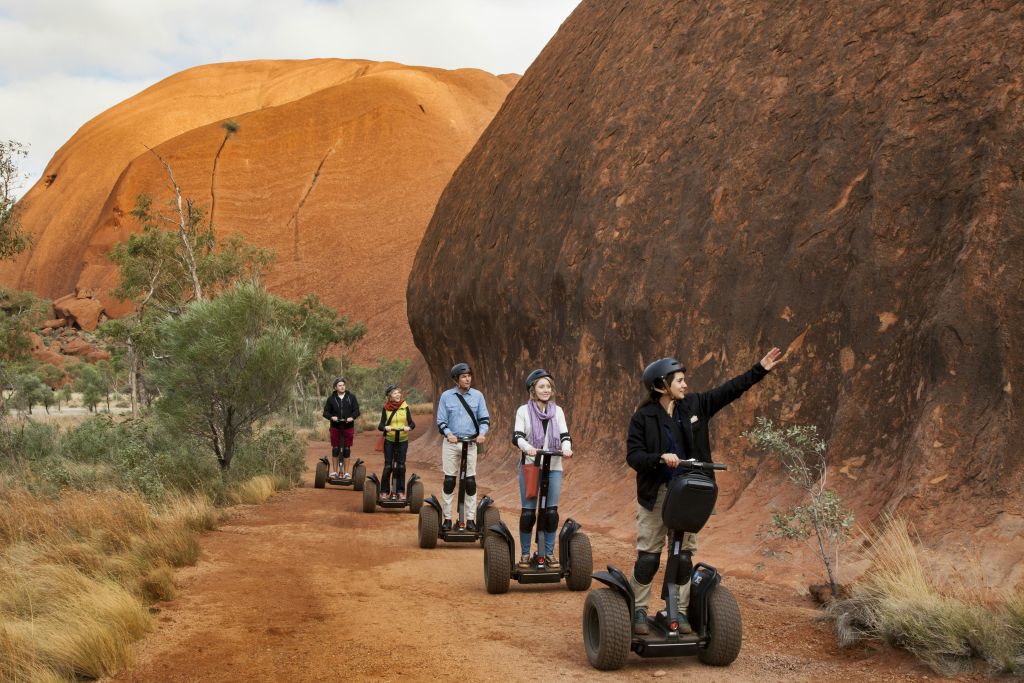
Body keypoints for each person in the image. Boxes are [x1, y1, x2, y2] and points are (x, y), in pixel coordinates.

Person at [626, 347, 784, 635]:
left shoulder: (695, 405)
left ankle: (679, 611)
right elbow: (634, 457)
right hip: (658, 494)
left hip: (689, 493)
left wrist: (759, 369)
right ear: (662, 385)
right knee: (649, 556)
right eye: (679, 380)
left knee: (684, 556)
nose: (685, 384)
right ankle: (638, 609)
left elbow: (730, 390)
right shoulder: (643, 418)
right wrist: (660, 458)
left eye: (684, 379)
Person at [512, 369, 572, 568]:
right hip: (531, 466)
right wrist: (527, 447)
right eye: (541, 386)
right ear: (533, 389)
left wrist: (566, 447)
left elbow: (564, 435)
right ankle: (526, 553)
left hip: (554, 466)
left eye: (548, 386)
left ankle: (547, 553)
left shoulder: (558, 411)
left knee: (551, 512)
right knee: (529, 513)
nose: (546, 390)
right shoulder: (523, 411)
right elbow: (517, 436)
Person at [435, 362, 490, 531]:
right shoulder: (446, 396)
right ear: (456, 379)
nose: (468, 379)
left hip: (471, 443)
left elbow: (484, 419)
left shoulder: (478, 396)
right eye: (464, 376)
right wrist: (449, 434)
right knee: (450, 480)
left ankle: (470, 519)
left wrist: (482, 434)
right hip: (451, 443)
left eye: (469, 376)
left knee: (470, 481)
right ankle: (447, 518)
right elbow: (441, 421)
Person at [377, 384, 415, 499]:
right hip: (390, 440)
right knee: (388, 466)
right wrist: (385, 427)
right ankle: (384, 490)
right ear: (389, 396)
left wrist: (409, 427)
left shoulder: (405, 406)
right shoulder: (386, 408)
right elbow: (380, 425)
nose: (398, 394)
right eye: (394, 393)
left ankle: (400, 491)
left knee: (401, 466)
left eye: (398, 392)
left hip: (403, 440)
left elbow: (412, 423)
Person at [322, 377, 360, 479]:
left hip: (348, 426)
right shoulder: (331, 399)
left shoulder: (351, 397)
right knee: (335, 449)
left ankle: (346, 473)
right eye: (340, 385)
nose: (342, 387)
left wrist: (352, 417)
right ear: (335, 387)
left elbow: (357, 410)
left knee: (347, 449)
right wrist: (331, 417)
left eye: (343, 385)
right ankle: (334, 472)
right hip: (335, 426)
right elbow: (325, 412)